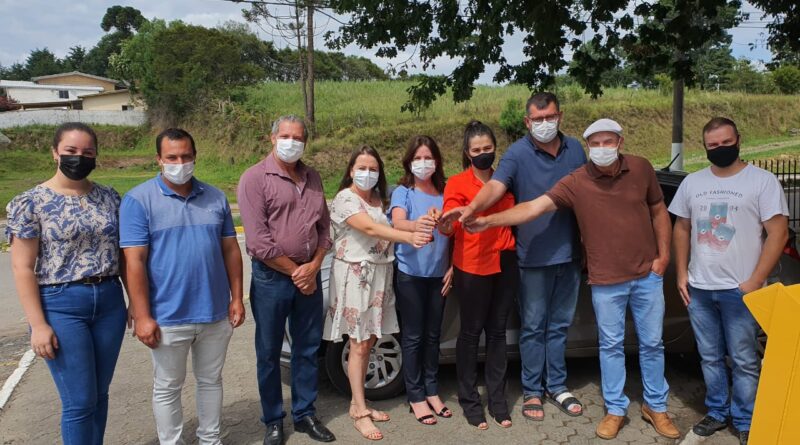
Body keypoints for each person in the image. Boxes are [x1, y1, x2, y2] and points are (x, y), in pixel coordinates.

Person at [444, 118, 681, 440]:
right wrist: (486, 220)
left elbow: (658, 209)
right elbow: (533, 208)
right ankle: (615, 409)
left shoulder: (641, 169)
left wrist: (663, 257)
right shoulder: (578, 180)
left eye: (607, 142)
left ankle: (657, 406)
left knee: (652, 345)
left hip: (645, 276)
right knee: (609, 346)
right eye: (595, 144)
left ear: (620, 142)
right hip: (605, 278)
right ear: (586, 147)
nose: (601, 149)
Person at [453, 92, 586, 421]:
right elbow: (496, 188)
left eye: (550, 117)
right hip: (532, 257)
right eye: (537, 119)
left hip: (569, 255)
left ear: (560, 116)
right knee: (532, 327)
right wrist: (471, 210)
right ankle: (531, 390)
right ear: (527, 122)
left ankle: (557, 384)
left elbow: (588, 195)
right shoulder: (517, 153)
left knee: (559, 326)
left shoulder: (576, 150)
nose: (544, 124)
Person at [121, 128, 245, 445]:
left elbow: (231, 249)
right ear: (159, 160)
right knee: (167, 386)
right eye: (172, 157)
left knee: (210, 380)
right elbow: (133, 262)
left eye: (186, 156)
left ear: (195, 157)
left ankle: (210, 439)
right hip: (166, 315)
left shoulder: (216, 198)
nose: (180, 163)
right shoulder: (138, 200)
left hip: (214, 312)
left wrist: (237, 297)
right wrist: (143, 314)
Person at [669, 117, 789, 445]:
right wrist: (682, 273)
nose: (720, 149)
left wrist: (755, 281)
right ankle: (717, 412)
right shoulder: (693, 183)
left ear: (738, 140)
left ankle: (745, 418)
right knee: (709, 356)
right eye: (713, 145)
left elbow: (778, 233)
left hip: (741, 290)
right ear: (704, 147)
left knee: (744, 358)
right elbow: (681, 227)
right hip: (700, 288)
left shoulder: (762, 181)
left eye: (725, 143)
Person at [7, 122, 127, 445]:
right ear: (55, 153)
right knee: (79, 401)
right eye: (71, 151)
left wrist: (135, 304)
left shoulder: (109, 198)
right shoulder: (31, 203)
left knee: (99, 395)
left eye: (88, 152)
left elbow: (125, 255)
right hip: (62, 304)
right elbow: (22, 267)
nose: (79, 158)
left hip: (109, 301)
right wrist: (38, 325)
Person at [237, 115, 335, 445]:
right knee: (268, 352)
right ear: (272, 138)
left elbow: (324, 230)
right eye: (285, 135)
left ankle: (305, 414)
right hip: (272, 279)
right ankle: (274, 420)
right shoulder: (255, 179)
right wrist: (298, 272)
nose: (291, 142)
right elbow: (258, 242)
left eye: (298, 137)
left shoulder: (313, 177)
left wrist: (314, 265)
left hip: (310, 273)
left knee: (306, 350)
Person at [323, 145, 430, 440]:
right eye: (362, 167)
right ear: (350, 170)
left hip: (380, 275)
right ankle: (358, 410)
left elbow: (383, 225)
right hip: (357, 277)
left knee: (370, 339)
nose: (367, 173)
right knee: (357, 343)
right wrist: (409, 237)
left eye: (373, 168)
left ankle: (361, 402)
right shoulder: (345, 199)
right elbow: (370, 230)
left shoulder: (376, 199)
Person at [439, 121, 517, 430]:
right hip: (471, 264)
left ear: (495, 149)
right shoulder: (457, 183)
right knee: (470, 333)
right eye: (476, 150)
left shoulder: (507, 180)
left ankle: (498, 401)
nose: (483, 154)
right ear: (467, 153)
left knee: (498, 332)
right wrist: (446, 225)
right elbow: (451, 222)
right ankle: (470, 400)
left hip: (506, 260)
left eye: (488, 148)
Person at [388, 135, 452, 425]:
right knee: (413, 337)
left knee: (433, 335)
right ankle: (415, 396)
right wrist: (420, 223)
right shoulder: (403, 191)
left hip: (439, 275)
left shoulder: (447, 191)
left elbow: (455, 232)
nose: (423, 163)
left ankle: (432, 389)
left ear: (436, 161)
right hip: (410, 275)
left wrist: (453, 266)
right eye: (417, 158)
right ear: (409, 162)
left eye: (428, 158)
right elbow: (398, 222)